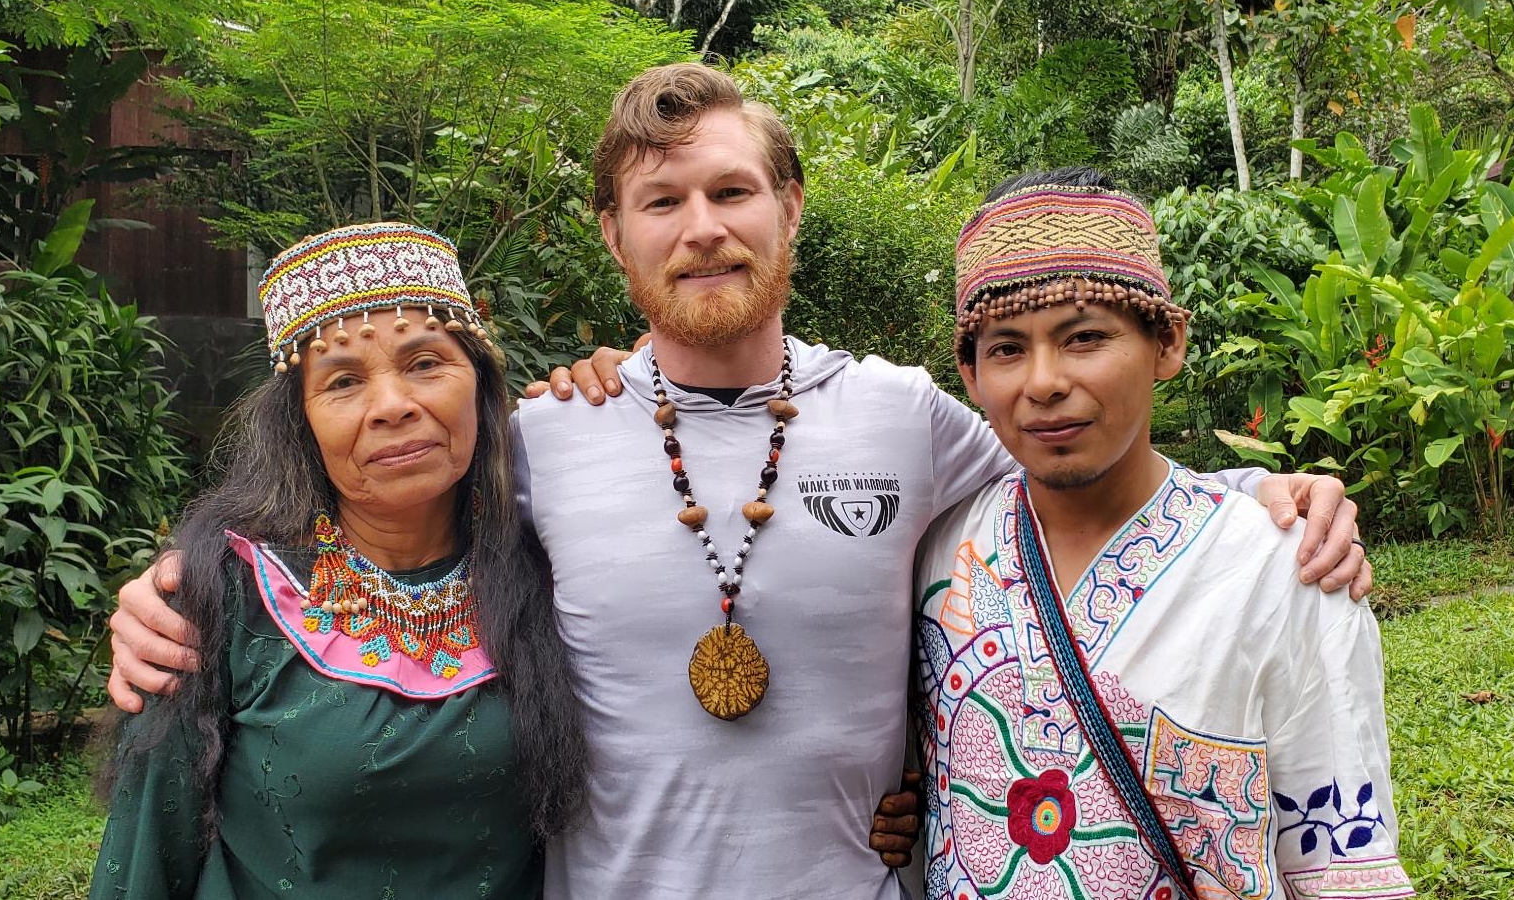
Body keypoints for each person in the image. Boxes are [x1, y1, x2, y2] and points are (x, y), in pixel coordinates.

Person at [105, 65, 1370, 899]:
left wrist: (1265, 499)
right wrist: (174, 586)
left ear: (790, 209)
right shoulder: (539, 435)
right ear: (613, 233)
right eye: (661, 201)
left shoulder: (906, 417)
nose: (700, 227)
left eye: (731, 190)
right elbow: (359, 521)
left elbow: (1076, 476)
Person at [912, 169, 1412, 899]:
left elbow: (1342, 868)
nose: (1043, 381)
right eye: (1007, 348)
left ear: (1168, 342)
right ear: (969, 372)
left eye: (1084, 337)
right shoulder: (941, 551)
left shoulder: (1289, 574)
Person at [89, 223, 588, 898]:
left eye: (425, 364)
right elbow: (147, 856)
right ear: (302, 422)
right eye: (344, 381)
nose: (392, 407)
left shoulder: (556, 563)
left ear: (482, 385)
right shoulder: (224, 596)